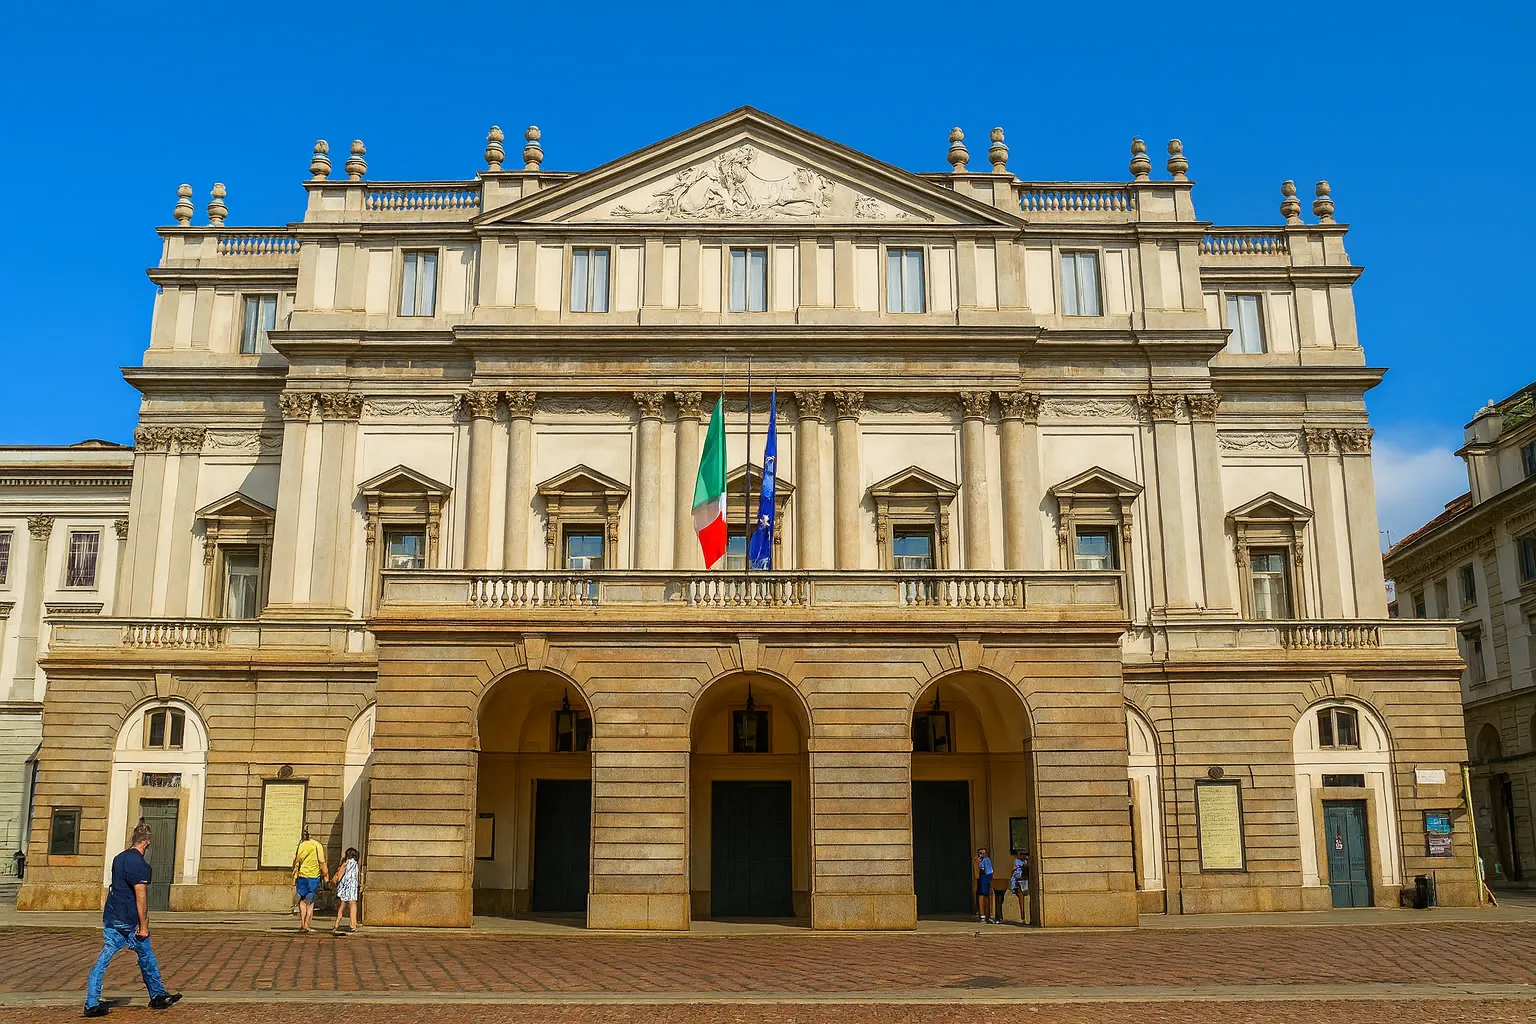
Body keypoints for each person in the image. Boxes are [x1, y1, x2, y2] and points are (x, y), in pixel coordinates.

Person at [84, 821, 183, 1016]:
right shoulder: (139, 864)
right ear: (147, 842)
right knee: (146, 955)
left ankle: (91, 1001)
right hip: (128, 921)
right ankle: (157, 995)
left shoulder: (118, 858)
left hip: (112, 916)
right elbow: (141, 896)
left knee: (104, 958)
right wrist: (143, 925)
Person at [291, 827, 328, 934]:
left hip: (302, 876)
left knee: (302, 900)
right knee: (310, 901)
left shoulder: (302, 845)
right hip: (314, 877)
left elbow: (297, 859)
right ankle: (307, 924)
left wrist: (294, 870)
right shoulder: (317, 845)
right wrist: (326, 875)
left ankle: (303, 924)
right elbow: (322, 861)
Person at [330, 847, 361, 935]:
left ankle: (336, 924)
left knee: (342, 906)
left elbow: (339, 875)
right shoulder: (355, 864)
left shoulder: (346, 863)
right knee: (353, 904)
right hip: (353, 887)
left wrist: (335, 882)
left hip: (345, 887)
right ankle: (353, 924)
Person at [1010, 851, 1030, 924]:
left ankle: (1024, 915)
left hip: (1024, 881)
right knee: (1021, 898)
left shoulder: (1026, 861)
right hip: (1018, 881)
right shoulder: (1016, 861)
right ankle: (1022, 915)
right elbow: (1014, 873)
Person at [975, 847, 994, 923]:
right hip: (982, 876)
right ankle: (982, 913)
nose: (982, 855)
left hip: (987, 876)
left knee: (986, 895)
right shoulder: (977, 860)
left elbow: (990, 870)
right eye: (980, 853)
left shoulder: (987, 859)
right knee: (981, 894)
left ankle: (987, 914)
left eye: (983, 853)